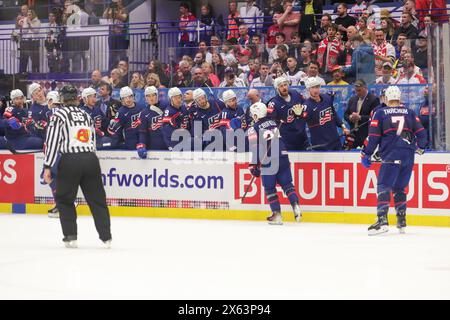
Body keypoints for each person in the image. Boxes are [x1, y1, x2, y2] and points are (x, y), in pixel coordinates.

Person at [43, 84, 112, 249]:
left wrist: (48, 166)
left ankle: (70, 236)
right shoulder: (85, 114)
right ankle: (106, 237)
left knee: (65, 199)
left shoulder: (58, 115)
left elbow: (52, 143)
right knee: (97, 200)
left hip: (70, 160)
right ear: (77, 98)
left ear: (61, 98)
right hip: (90, 158)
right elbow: (93, 140)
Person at [360, 85, 427, 236]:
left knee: (383, 185)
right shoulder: (409, 112)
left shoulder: (380, 113)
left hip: (391, 155)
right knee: (399, 188)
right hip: (408, 157)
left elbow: (373, 138)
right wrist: (420, 147)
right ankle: (401, 222)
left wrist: (366, 154)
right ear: (399, 97)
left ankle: (382, 221)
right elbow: (422, 134)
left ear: (386, 98)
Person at [247, 101, 301, 225]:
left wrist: (253, 165)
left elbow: (255, 148)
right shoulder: (274, 122)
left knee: (270, 188)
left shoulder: (253, 128)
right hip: (283, 155)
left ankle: (277, 215)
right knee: (287, 185)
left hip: (269, 159)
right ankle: (295, 205)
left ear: (255, 115)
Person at [301, 77, 350, 151]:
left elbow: (333, 114)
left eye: (317, 87)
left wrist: (343, 127)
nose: (315, 90)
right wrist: (298, 115)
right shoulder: (306, 106)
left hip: (335, 140)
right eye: (313, 87)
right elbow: (301, 123)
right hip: (320, 145)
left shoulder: (327, 98)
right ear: (308, 89)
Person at [267, 77, 309, 151]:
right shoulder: (273, 103)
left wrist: (302, 114)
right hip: (287, 139)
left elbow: (306, 108)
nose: (284, 88)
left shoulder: (295, 94)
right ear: (277, 89)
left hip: (302, 136)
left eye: (285, 85)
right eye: (281, 86)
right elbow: (270, 121)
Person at [344, 79, 380, 148]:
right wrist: (350, 117)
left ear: (365, 88)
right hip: (353, 135)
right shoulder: (352, 99)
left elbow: (375, 117)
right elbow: (345, 115)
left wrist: (360, 117)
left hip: (366, 135)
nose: (357, 93)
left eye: (359, 90)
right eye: (356, 91)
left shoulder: (374, 100)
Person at [137, 86, 167, 158]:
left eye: (153, 95)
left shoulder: (167, 106)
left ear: (157, 96)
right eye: (148, 96)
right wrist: (142, 145)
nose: (151, 98)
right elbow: (142, 132)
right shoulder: (143, 113)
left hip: (169, 146)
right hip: (154, 149)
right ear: (145, 98)